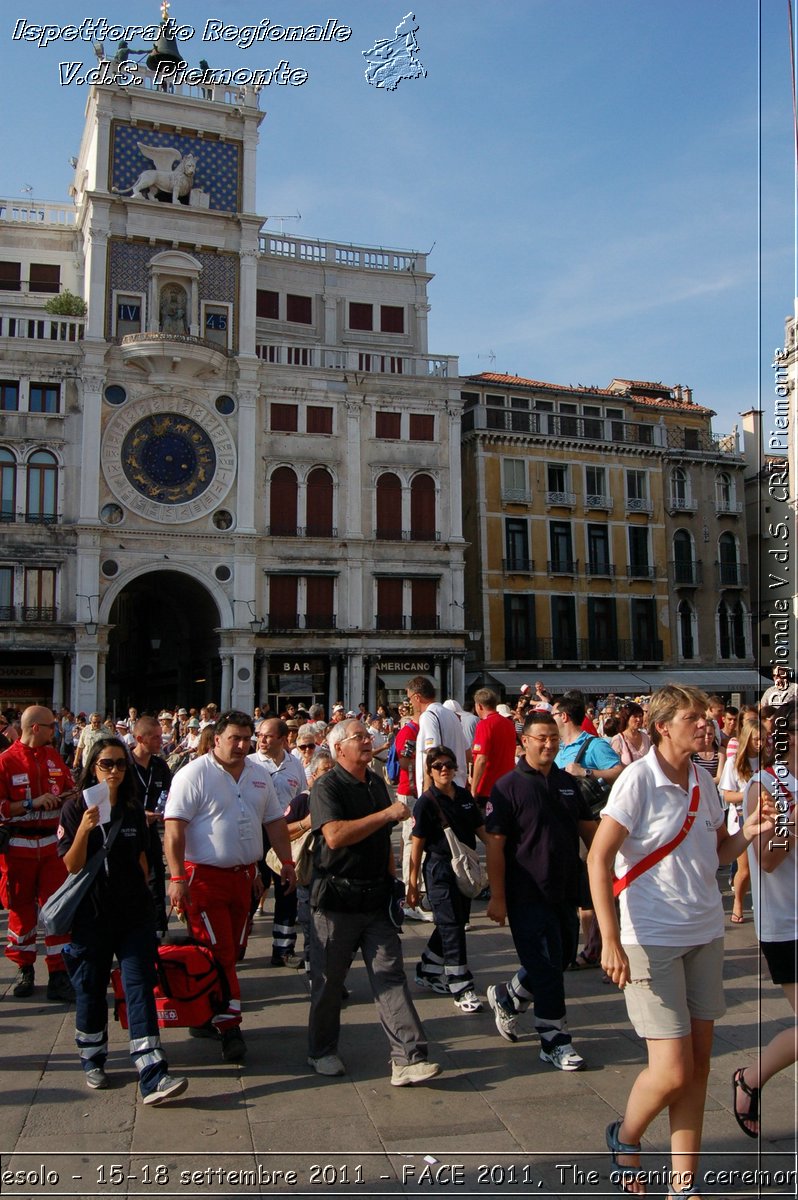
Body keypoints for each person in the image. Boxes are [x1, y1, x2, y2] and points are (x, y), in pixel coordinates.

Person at [587, 684, 775, 1199]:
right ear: (663, 725)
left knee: (698, 1067)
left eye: (705, 716)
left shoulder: (703, 779)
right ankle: (624, 1136)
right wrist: (609, 938)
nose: (706, 723)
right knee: (671, 1070)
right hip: (651, 936)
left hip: (704, 931)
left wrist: (751, 831)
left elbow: (716, 853)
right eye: (693, 717)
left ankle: (682, 1185)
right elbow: (599, 859)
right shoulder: (637, 780)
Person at [307, 718, 441, 1086]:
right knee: (329, 981)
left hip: (376, 898)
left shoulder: (375, 784)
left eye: (368, 736)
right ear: (339, 749)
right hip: (336, 899)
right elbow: (334, 836)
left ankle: (408, 1057)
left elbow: (383, 839)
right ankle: (322, 1049)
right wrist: (387, 814)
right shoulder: (327, 786)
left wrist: (395, 878)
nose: (368, 742)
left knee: (390, 975)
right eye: (359, 737)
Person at [57, 737, 188, 1104]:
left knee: (139, 988)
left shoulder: (132, 810)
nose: (114, 771)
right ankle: (92, 1057)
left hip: (132, 916)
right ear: (92, 767)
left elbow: (145, 861)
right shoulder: (73, 809)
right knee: (91, 988)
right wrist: (84, 827)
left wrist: (148, 903)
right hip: (91, 916)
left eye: (120, 764)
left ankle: (152, 1073)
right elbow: (71, 865)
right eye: (106, 764)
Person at [164, 711, 295, 1063]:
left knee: (232, 952)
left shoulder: (259, 775)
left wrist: (287, 862)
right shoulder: (193, 774)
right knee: (220, 951)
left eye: (246, 739)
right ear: (216, 738)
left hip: (243, 877)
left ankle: (206, 1011)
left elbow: (274, 823)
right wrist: (176, 879)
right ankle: (230, 1026)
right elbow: (174, 831)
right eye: (234, 738)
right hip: (203, 879)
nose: (241, 745)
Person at [484, 710, 598, 1070]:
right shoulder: (507, 787)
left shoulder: (567, 783)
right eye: (541, 738)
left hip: (564, 889)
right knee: (547, 970)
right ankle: (554, 1040)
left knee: (561, 959)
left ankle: (508, 996)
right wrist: (498, 897)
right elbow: (495, 845)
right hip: (525, 892)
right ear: (525, 742)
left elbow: (590, 832)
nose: (548, 744)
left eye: (553, 738)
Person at [732, 701, 797, 1138]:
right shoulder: (766, 785)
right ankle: (750, 1078)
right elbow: (768, 860)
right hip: (788, 924)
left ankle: (750, 1079)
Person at [0, 705, 77, 1001]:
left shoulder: (54, 757)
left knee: (56, 909)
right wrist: (31, 804)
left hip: (51, 846)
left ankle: (58, 973)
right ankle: (25, 969)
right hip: (18, 847)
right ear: (35, 728)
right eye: (50, 726)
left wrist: (69, 797)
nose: (54, 730)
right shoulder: (6, 762)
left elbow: (68, 787)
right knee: (20, 910)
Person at [408, 745, 487, 1012]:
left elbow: (482, 829)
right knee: (452, 926)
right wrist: (412, 884)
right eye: (438, 766)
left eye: (449, 765)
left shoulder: (464, 795)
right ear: (429, 771)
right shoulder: (426, 802)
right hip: (439, 869)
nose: (444, 770)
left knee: (453, 922)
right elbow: (417, 844)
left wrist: (503, 849)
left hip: (463, 869)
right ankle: (461, 985)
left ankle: (428, 968)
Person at [129, 716, 173, 938]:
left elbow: (168, 793)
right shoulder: (123, 764)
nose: (160, 741)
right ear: (139, 738)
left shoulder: (160, 765)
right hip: (127, 832)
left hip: (151, 830)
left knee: (156, 877)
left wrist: (162, 812)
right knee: (130, 878)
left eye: (161, 736)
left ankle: (158, 931)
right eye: (155, 737)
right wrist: (138, 814)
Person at [719, 721, 764, 925]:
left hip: (766, 819)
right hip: (741, 821)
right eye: (756, 739)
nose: (761, 743)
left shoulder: (770, 761)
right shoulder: (734, 763)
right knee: (744, 869)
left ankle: (762, 904)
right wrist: (749, 795)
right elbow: (727, 796)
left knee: (765, 866)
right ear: (747, 740)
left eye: (764, 738)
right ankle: (738, 901)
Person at [406, 676, 468, 796]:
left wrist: (426, 794)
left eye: (409, 699)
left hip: (439, 791)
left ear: (417, 697)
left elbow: (433, 756)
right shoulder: (452, 715)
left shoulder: (428, 716)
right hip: (457, 786)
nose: (410, 703)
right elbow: (468, 753)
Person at [470, 688, 517, 810]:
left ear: (479, 706)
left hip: (488, 788)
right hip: (508, 785)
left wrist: (473, 789)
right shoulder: (509, 724)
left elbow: (481, 759)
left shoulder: (484, 725)